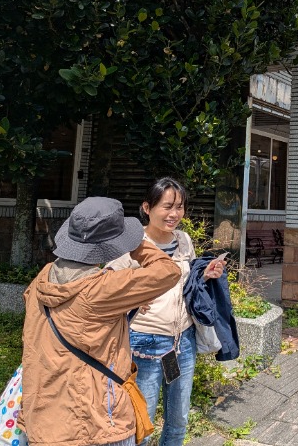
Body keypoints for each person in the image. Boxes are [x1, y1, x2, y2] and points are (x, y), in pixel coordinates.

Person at [20, 196, 181, 446]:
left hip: (43, 419)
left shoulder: (42, 280)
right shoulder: (103, 288)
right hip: (96, 425)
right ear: (110, 245)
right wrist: (135, 243)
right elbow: (168, 272)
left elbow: (79, 324)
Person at [110, 177, 225, 446]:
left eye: (180, 207)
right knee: (142, 422)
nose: (174, 214)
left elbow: (185, 285)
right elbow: (108, 286)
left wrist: (205, 275)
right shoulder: (133, 243)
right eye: (167, 206)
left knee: (179, 420)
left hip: (183, 340)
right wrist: (130, 299)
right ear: (147, 208)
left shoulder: (183, 240)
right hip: (144, 342)